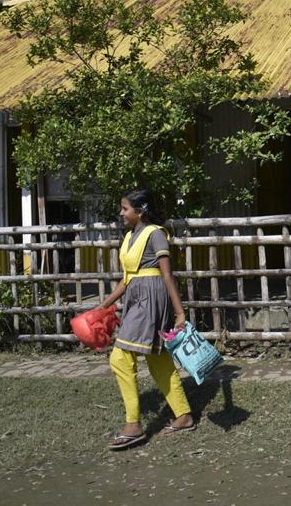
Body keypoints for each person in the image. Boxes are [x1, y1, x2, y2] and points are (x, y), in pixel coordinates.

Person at [96, 188, 194, 450]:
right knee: (158, 359)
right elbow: (127, 279)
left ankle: (133, 425)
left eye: (125, 208)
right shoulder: (129, 237)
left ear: (140, 211)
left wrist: (180, 312)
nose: (121, 213)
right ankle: (183, 416)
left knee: (120, 358)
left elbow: (167, 275)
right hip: (135, 299)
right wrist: (103, 306)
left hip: (151, 300)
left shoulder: (156, 234)